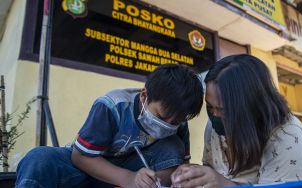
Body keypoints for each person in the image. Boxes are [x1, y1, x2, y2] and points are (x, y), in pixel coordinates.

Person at [16, 64, 204, 188]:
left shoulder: (178, 119)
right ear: (144, 95)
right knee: (39, 158)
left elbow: (180, 164)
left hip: (135, 171)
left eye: (174, 122)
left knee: (172, 145)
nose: (167, 125)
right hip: (87, 166)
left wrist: (172, 179)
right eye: (161, 116)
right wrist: (127, 179)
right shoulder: (113, 106)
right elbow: (80, 156)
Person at [171, 54, 302, 187]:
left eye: (224, 110)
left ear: (253, 105)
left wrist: (224, 184)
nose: (215, 115)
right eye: (210, 107)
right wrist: (194, 176)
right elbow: (210, 168)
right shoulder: (213, 127)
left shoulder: (287, 136)